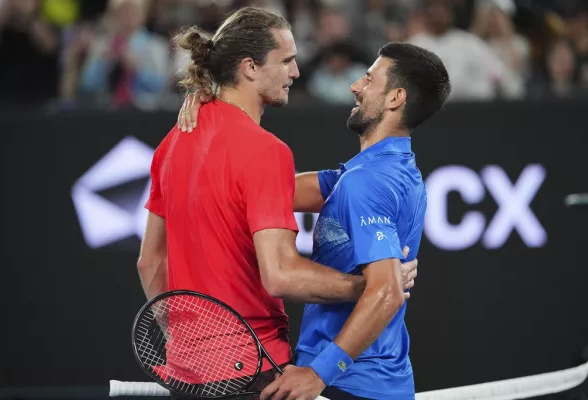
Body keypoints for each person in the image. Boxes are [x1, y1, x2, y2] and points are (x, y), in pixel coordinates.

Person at [138, 6, 418, 400]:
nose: (296, 73)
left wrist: (188, 340)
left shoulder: (171, 144)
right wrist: (369, 288)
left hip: (186, 373)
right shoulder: (266, 151)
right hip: (252, 370)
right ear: (250, 67)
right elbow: (281, 274)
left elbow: (150, 262)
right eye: (286, 61)